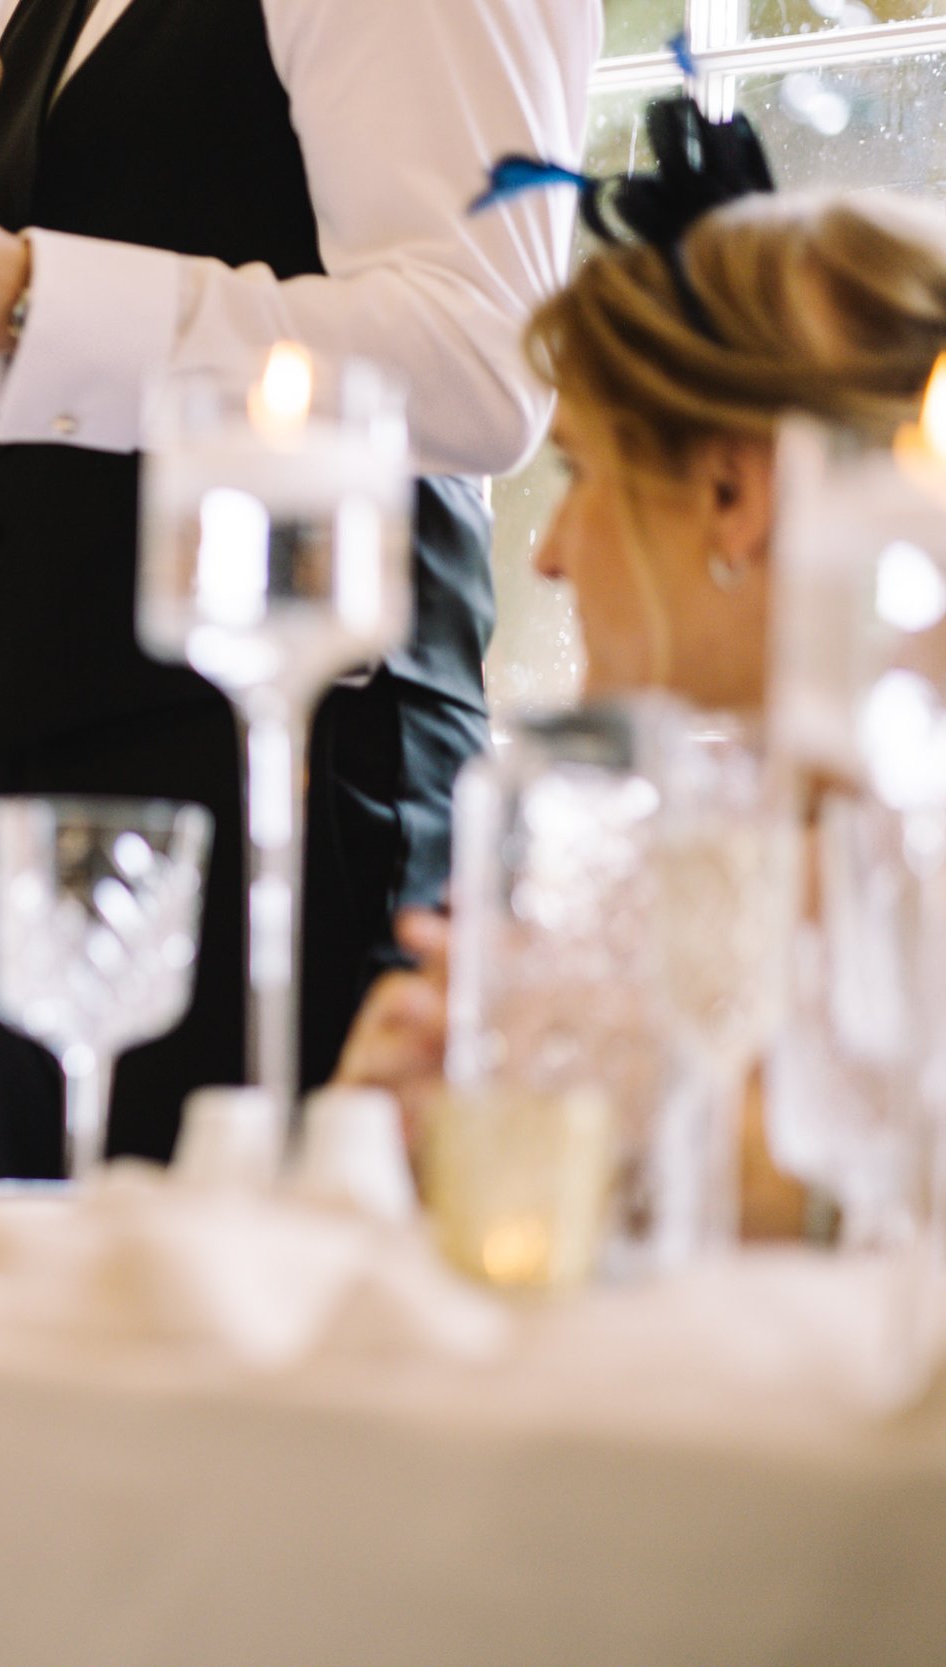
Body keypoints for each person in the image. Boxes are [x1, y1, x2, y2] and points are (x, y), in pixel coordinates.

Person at [0, 0, 595, 1177]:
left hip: (295, 785)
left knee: (267, 1278)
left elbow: (482, 362)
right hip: (23, 816)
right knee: (39, 1283)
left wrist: (30, 293)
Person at [335, 113, 946, 1235]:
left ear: (732, 494)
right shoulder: (657, 873)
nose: (548, 552)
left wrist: (628, 1127)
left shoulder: (914, 871)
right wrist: (409, 1134)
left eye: (579, 471)